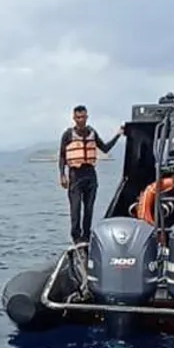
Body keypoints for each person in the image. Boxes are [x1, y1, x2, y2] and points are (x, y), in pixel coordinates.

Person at [57, 105, 124, 245]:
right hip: (75, 175)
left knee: (89, 209)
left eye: (83, 117)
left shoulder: (92, 132)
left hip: (90, 175)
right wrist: (62, 175)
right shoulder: (68, 135)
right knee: (75, 209)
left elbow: (105, 148)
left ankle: (86, 236)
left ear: (87, 117)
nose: (81, 120)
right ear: (74, 118)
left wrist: (118, 134)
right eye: (78, 117)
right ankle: (76, 237)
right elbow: (62, 156)